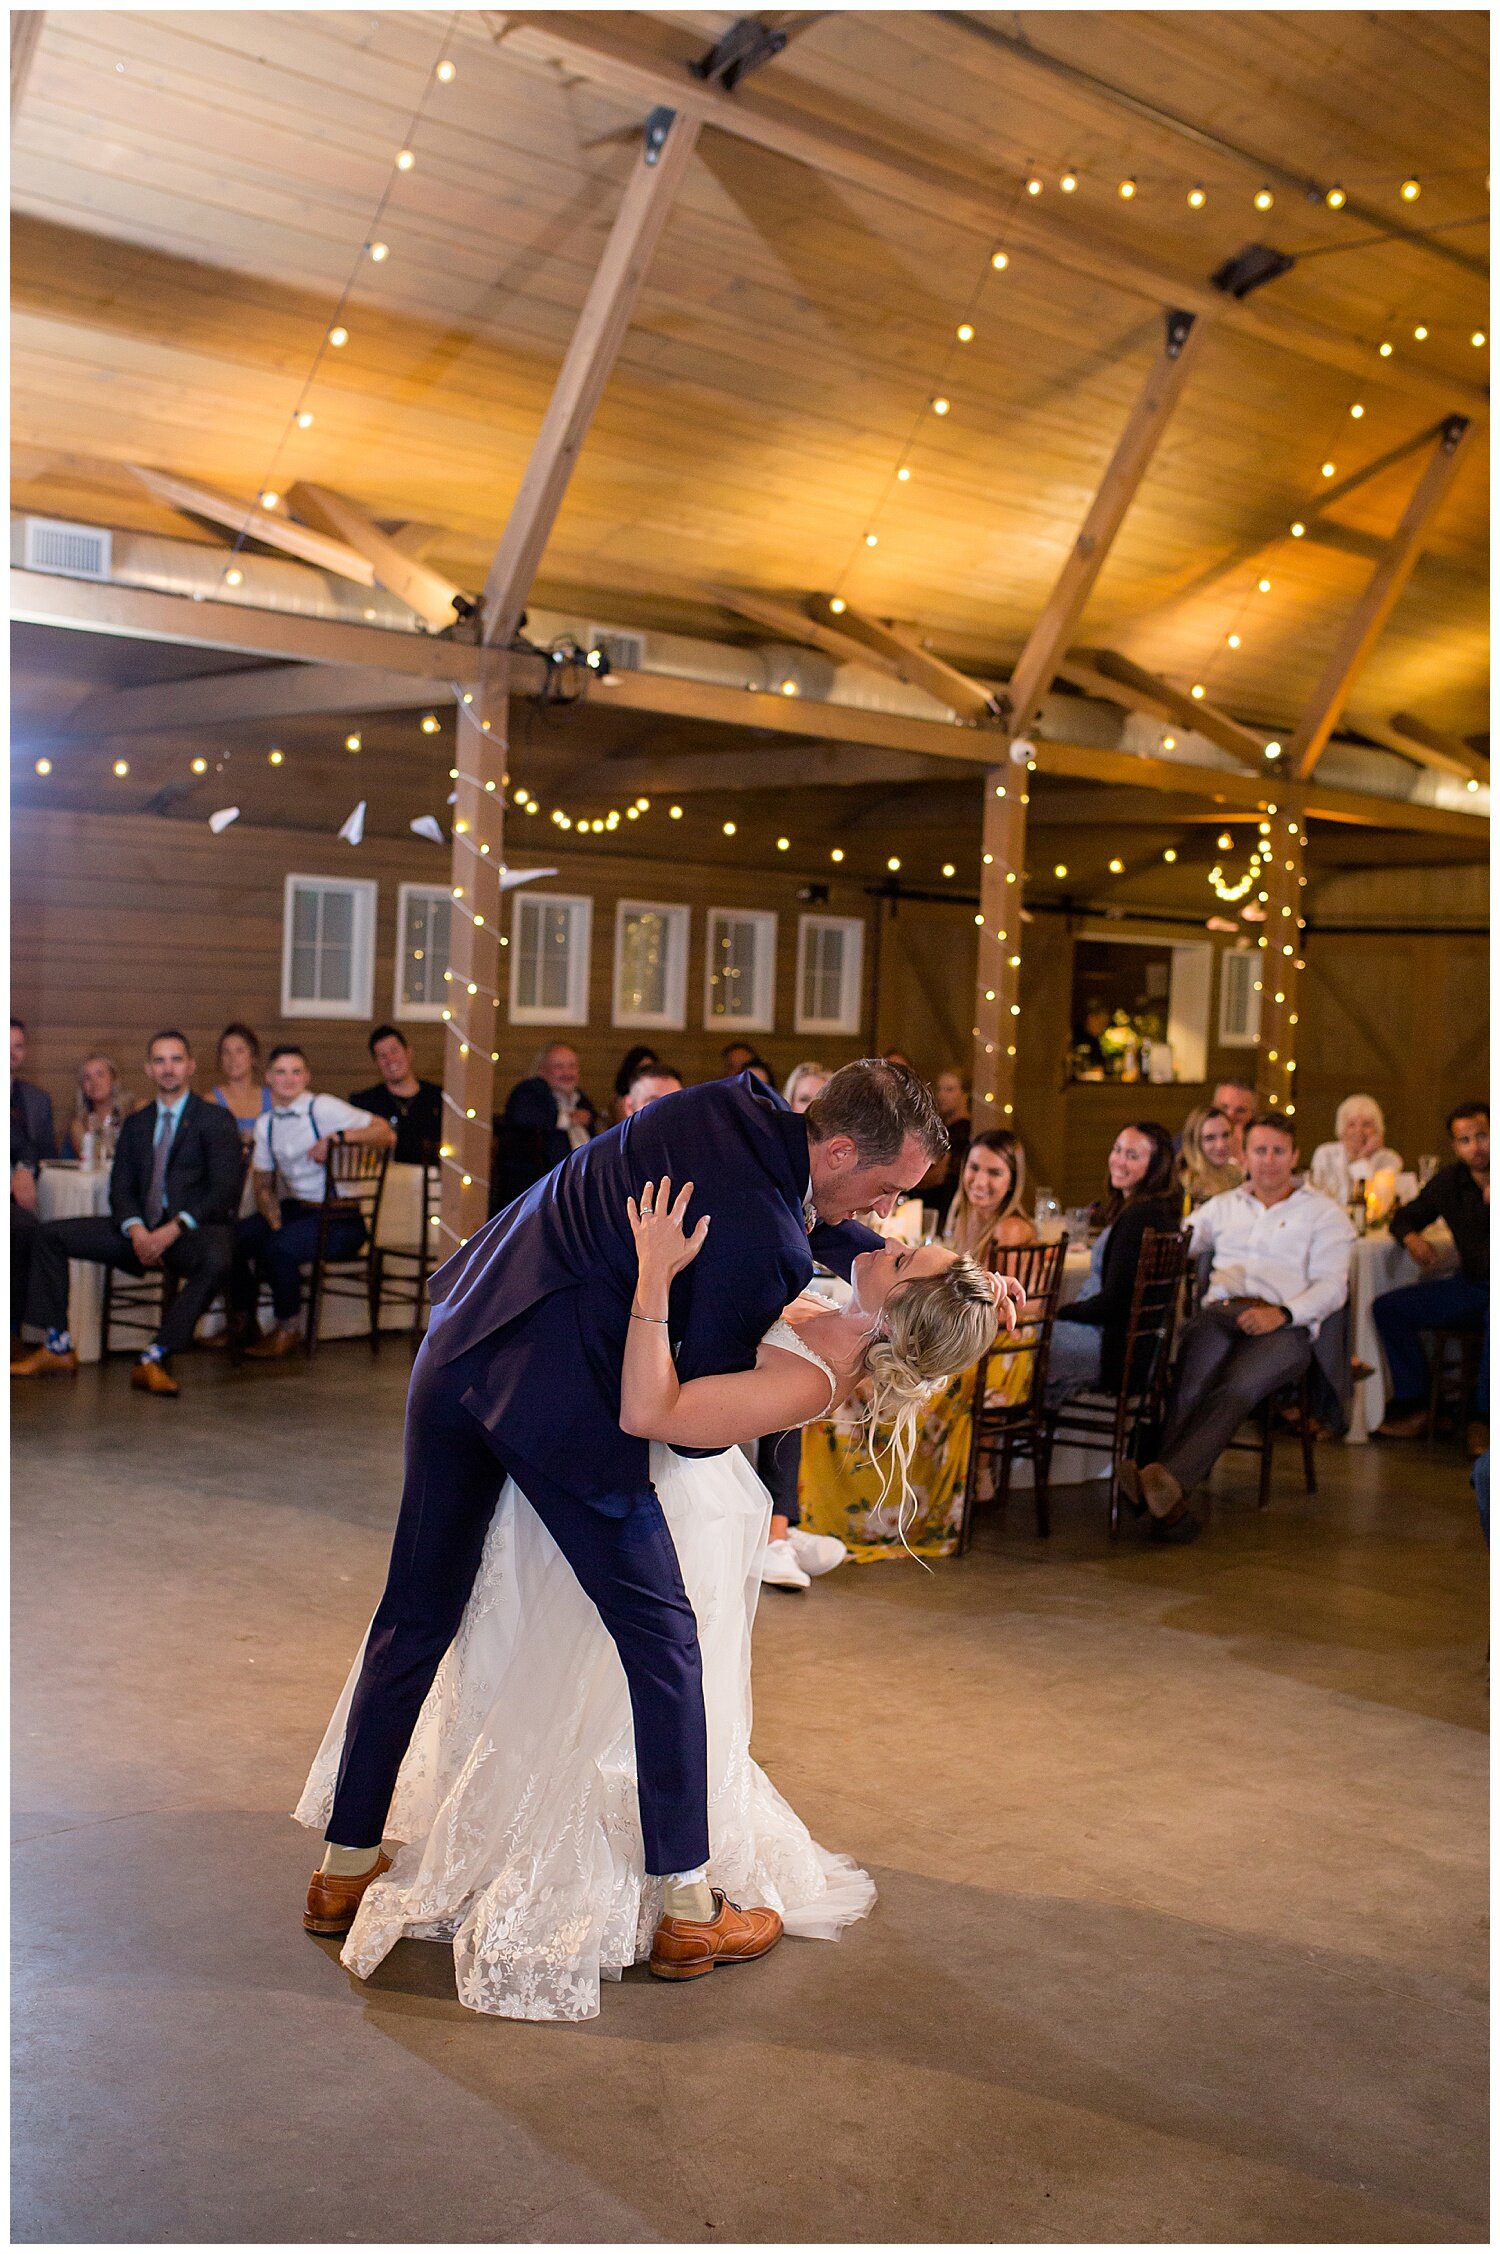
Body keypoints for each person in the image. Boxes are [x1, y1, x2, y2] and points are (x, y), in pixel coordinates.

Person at [299, 1059, 964, 1997]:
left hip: (458, 1345)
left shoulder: (722, 1106)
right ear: (843, 1148)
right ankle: (691, 1914)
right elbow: (688, 1425)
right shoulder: (771, 1248)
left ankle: (343, 1866)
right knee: (664, 1642)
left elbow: (800, 1207)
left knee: (414, 1613)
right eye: (887, 1189)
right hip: (556, 1412)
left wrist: (888, 1260)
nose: (888, 1214)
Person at [1123, 1114, 1354, 1543]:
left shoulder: (1324, 1214)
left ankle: (1163, 1486)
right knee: (1191, 1383)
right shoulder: (1223, 1207)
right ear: (1244, 1155)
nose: (1268, 1161)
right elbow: (1179, 1245)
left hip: (1285, 1325)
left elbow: (1332, 1288)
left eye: (1278, 1151)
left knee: (1238, 1386)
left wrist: (1283, 1314)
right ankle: (1169, 1496)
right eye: (1260, 1151)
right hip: (1221, 1313)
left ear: (1295, 1156)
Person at [11, 1031, 244, 1397]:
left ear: (191, 1066)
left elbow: (224, 1191)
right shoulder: (136, 1123)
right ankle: (57, 1346)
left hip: (188, 1233)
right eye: (160, 1061)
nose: (168, 1068)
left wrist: (173, 1228)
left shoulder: (214, 1120)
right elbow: (121, 1189)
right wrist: (136, 1229)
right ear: (149, 1069)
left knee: (219, 1259)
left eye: (176, 1059)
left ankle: (156, 1354)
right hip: (139, 1232)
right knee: (48, 1235)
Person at [230, 1046, 395, 1358]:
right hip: (300, 1210)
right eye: (280, 1072)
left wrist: (337, 1138)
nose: (288, 1079)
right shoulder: (267, 1123)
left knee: (279, 1247)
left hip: (341, 1218)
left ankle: (287, 1329)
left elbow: (385, 1132)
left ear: (306, 1076)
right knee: (235, 1237)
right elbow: (263, 1182)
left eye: (296, 1072)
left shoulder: (322, 1108)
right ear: (268, 1078)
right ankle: (243, 1320)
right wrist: (273, 1220)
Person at [1373, 1101, 1489, 1449]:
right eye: (1465, 1140)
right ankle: (1420, 1406)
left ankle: (1483, 1420)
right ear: (1456, 1146)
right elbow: (1404, 1216)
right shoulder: (1451, 1182)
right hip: (1471, 1286)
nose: (1476, 1147)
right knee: (1388, 1308)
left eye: (1483, 1135)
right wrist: (1410, 1238)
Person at [1047, 1123, 1181, 1406]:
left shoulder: (1139, 1219)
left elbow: (1116, 1303)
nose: (1119, 1161)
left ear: (1157, 1166)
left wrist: (1062, 1311)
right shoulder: (1158, 1211)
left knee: (1014, 1341)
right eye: (1117, 1150)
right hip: (1132, 1349)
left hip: (1111, 1350)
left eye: (1132, 1156)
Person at [494, 1043, 598, 1208]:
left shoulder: (582, 1101)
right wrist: (568, 1119)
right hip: (540, 1194)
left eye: (572, 1066)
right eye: (559, 1067)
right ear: (542, 1071)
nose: (567, 1073)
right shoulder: (530, 1093)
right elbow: (526, 1116)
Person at [11, 1018, 56, 1343]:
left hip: (27, 1197)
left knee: (36, 1232)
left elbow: (44, 1153)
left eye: (18, 1046)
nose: (11, 1053)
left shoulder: (37, 1100)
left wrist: (26, 1168)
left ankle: (19, 1332)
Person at [349, 1025, 443, 1164]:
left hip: (431, 1180)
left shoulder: (437, 1097)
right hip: (382, 1181)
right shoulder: (365, 1102)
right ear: (376, 1063)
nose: (390, 1060)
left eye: (395, 1051)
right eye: (382, 1056)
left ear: (409, 1053)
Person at [945, 1129, 1033, 1267]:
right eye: (974, 1167)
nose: (980, 1182)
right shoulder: (966, 1218)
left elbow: (1001, 1289)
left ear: (1012, 1182)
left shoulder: (1009, 1229)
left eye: (994, 1173)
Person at [1308, 1094, 1403, 1208]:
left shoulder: (1390, 1160)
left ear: (1377, 1130)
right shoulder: (1325, 1154)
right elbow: (1316, 1196)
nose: (1358, 1131)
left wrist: (1362, 1158)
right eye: (1351, 1124)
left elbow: (1375, 1203)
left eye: (1366, 1125)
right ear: (1342, 1129)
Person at [923, 1069, 972, 1225]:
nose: (942, 1095)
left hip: (945, 1210)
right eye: (940, 1088)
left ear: (965, 1094)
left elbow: (939, 1175)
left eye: (949, 1089)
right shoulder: (941, 1128)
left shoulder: (963, 1131)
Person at [64, 1053, 134, 1161]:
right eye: (87, 1078)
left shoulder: (134, 1111)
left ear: (113, 1079)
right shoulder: (79, 1124)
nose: (94, 1082)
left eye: (100, 1075)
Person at [211, 1023, 272, 1142]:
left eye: (240, 1051)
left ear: (253, 1057)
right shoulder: (210, 1101)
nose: (232, 1058)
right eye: (226, 1052)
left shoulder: (273, 1099)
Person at [1178, 1105, 1241, 1209]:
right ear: (1194, 1142)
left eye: (1226, 1135)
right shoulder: (1182, 1187)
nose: (1220, 1145)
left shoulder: (1237, 1176)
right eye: (1210, 1138)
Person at [1210, 1077, 1259, 1162]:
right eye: (1224, 1107)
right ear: (1212, 1107)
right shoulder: (1188, 1142)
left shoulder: (1262, 1149)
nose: (1230, 1115)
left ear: (1252, 1115)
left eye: (1240, 1110)